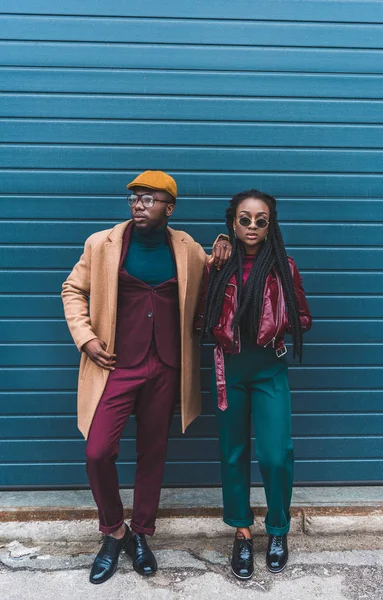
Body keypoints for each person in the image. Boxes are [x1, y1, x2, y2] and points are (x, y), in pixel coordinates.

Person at [61, 170, 231, 585]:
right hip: (115, 364)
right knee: (98, 451)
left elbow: (211, 274)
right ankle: (114, 531)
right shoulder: (102, 244)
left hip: (167, 366)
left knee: (152, 454)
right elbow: (72, 289)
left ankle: (142, 533)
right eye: (135, 198)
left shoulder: (186, 247)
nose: (139, 204)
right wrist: (85, 338)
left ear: (169, 208)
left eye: (149, 199)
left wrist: (222, 249)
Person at [195, 189, 312, 579]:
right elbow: (201, 315)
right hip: (229, 367)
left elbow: (303, 318)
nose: (252, 226)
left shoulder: (285, 266)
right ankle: (242, 531)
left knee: (276, 455)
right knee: (233, 453)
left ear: (270, 225)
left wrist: (278, 322)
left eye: (261, 220)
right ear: (232, 222)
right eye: (244, 219)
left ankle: (278, 529)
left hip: (269, 367)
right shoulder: (217, 266)